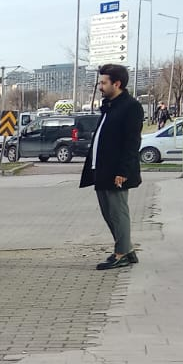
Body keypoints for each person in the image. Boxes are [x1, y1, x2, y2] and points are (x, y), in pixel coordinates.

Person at [80, 64, 143, 270]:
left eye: (104, 82)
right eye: (100, 82)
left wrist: (123, 171)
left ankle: (121, 253)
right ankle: (127, 249)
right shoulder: (110, 106)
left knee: (118, 213)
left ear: (117, 84)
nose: (100, 86)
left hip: (117, 171)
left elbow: (132, 142)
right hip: (102, 169)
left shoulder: (130, 106)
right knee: (108, 213)